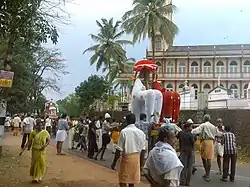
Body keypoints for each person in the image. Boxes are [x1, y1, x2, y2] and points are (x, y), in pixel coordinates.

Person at [111, 113, 146, 187]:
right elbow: (143, 150)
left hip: (126, 158)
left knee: (122, 180)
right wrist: (141, 165)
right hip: (136, 159)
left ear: (126, 121)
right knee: (131, 181)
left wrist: (114, 163)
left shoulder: (124, 132)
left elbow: (119, 149)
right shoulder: (141, 133)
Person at [192, 114, 222, 182]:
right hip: (211, 142)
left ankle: (207, 173)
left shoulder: (203, 125)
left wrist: (190, 130)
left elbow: (197, 130)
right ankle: (207, 174)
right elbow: (218, 133)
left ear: (204, 119)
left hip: (204, 141)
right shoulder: (213, 126)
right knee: (209, 158)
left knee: (204, 157)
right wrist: (224, 133)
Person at [19, 118, 50, 183]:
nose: (40, 127)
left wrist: (44, 146)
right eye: (38, 125)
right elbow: (29, 142)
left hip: (42, 150)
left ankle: (39, 177)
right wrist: (22, 150)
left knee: (41, 163)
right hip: (35, 150)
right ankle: (35, 177)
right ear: (36, 126)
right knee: (34, 163)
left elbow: (48, 141)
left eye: (41, 125)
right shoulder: (33, 132)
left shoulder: (45, 132)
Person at [178, 119, 196, 186]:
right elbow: (193, 142)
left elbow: (177, 137)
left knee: (183, 166)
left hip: (183, 150)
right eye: (191, 127)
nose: (191, 128)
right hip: (190, 150)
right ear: (187, 127)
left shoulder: (181, 133)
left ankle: (182, 180)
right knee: (190, 167)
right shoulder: (191, 135)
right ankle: (188, 182)